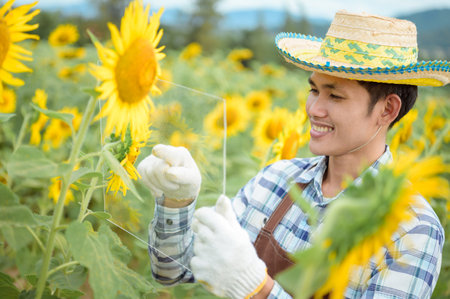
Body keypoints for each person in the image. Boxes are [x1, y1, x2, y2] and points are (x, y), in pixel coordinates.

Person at [137, 10, 448, 299]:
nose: (314, 109)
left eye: (335, 95)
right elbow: (173, 271)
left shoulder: (411, 230)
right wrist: (176, 203)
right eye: (314, 90)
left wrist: (256, 287)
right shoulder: (275, 180)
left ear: (387, 109)